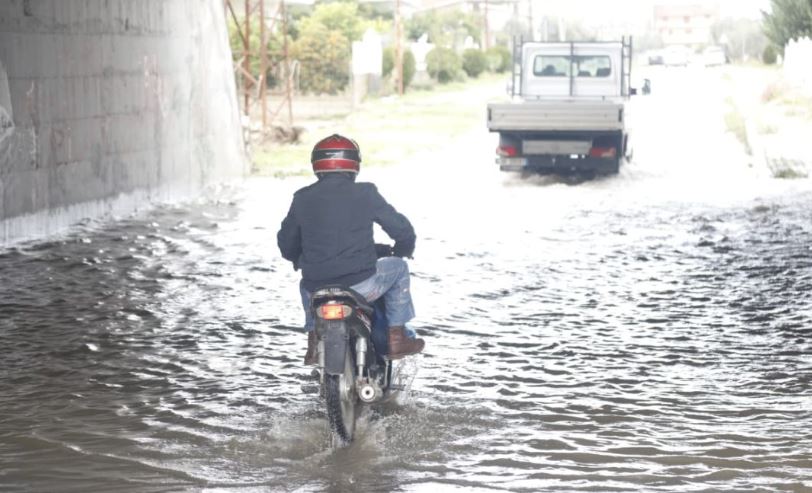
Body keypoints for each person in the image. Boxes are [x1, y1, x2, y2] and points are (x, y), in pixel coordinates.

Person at [277, 134, 425, 365]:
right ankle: (396, 337)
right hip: (362, 286)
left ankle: (314, 341)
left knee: (305, 284)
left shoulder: (302, 198)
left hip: (317, 289)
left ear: (316, 165)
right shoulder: (366, 193)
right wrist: (403, 249)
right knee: (399, 268)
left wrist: (299, 258)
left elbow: (286, 243)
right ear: (354, 165)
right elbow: (401, 229)